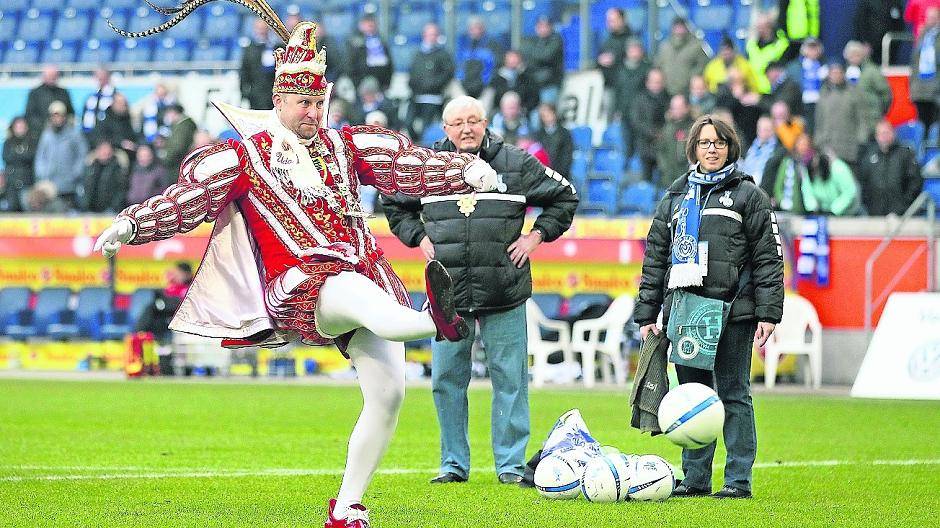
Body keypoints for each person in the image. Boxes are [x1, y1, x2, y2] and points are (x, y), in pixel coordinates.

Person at [95, 14, 504, 527]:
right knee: (358, 293)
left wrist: (464, 170)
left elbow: (406, 166)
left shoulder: (345, 144)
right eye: (302, 103)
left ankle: (348, 505)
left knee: (389, 393)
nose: (312, 111)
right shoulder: (245, 156)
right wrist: (132, 224)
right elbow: (189, 199)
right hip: (303, 286)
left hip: (367, 277)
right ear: (279, 100)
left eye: (317, 102)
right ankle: (437, 318)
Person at [381, 95, 578, 488]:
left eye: (473, 121)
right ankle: (453, 463)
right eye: (458, 123)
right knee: (446, 380)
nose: (466, 129)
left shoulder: (516, 163)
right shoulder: (426, 167)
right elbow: (391, 200)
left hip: (504, 289)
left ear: (486, 123)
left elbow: (565, 196)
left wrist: (535, 237)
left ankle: (509, 464)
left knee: (510, 379)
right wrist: (418, 237)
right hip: (447, 293)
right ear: (445, 129)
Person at [634, 114, 783, 500]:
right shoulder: (675, 197)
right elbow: (655, 259)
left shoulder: (750, 195)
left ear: (730, 147)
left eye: (718, 143)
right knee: (692, 395)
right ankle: (696, 480)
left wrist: (768, 312)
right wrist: (647, 314)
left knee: (733, 394)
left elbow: (768, 258)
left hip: (734, 311)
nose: (711, 149)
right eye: (704, 143)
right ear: (693, 149)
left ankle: (737, 481)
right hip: (686, 311)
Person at [857, 121, 922, 215]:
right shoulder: (869, 156)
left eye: (886, 133)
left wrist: (904, 206)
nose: (884, 137)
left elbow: (915, 182)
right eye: (881, 134)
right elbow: (864, 183)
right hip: (875, 213)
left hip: (901, 215)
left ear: (893, 133)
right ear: (876, 136)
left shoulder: (905, 154)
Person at [814, 61, 868, 173]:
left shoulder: (854, 93)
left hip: (849, 149)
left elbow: (862, 119)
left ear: (844, 74)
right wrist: (818, 141)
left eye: (838, 72)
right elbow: (819, 120)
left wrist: (861, 140)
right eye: (833, 73)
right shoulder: (823, 94)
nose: (835, 75)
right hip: (827, 148)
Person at [34, 101, 88, 209]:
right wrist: (42, 173)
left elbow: (82, 156)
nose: (57, 119)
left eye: (60, 116)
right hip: (49, 184)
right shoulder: (46, 135)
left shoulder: (74, 135)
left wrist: (75, 174)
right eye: (55, 116)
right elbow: (40, 156)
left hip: (69, 185)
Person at [407, 23, 455, 139]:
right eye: (429, 34)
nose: (431, 37)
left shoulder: (443, 55)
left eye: (434, 34)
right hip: (416, 96)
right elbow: (412, 73)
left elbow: (448, 73)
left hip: (434, 98)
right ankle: (416, 142)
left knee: (426, 127)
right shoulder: (417, 54)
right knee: (408, 123)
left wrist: (433, 85)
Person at [844, 41, 892, 138]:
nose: (854, 57)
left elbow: (886, 94)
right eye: (851, 55)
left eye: (856, 54)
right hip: (852, 122)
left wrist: (878, 111)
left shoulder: (872, 71)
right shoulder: (845, 73)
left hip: (872, 120)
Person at [615, 38, 652, 159]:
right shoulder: (620, 69)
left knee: (642, 147)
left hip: (642, 115)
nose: (634, 52)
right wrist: (617, 109)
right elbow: (617, 91)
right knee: (626, 146)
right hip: (625, 113)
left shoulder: (647, 68)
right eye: (632, 49)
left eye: (637, 49)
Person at [630, 68, 670, 182]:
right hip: (645, 146)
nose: (657, 85)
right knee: (646, 180)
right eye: (654, 81)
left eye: (659, 81)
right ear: (648, 82)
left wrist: (663, 133)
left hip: (664, 147)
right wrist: (653, 133)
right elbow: (636, 122)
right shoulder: (639, 100)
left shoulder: (668, 98)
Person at [656, 18, 708, 97]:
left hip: (687, 91)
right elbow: (657, 65)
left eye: (681, 27)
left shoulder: (696, 46)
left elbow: (702, 65)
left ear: (686, 28)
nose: (679, 30)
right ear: (672, 29)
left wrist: (690, 78)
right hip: (666, 91)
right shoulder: (664, 46)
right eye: (677, 27)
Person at [910, 7, 940, 139]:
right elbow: (915, 62)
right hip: (920, 89)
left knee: (935, 126)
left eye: (934, 17)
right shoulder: (922, 36)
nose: (931, 20)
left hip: (936, 89)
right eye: (929, 17)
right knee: (922, 126)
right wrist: (912, 85)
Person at [520, 16, 564, 105]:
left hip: (549, 85)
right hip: (534, 85)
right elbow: (524, 53)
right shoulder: (534, 40)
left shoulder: (556, 40)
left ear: (551, 27)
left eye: (545, 26)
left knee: (547, 112)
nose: (542, 29)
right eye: (539, 26)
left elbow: (545, 56)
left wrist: (531, 56)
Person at [455, 17, 503, 98]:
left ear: (483, 29)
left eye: (477, 28)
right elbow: (459, 67)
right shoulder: (463, 45)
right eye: (472, 29)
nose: (475, 31)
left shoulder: (493, 45)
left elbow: (496, 67)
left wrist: (486, 81)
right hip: (465, 85)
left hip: (486, 86)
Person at [24, 65, 74, 141]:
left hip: (62, 135)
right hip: (40, 135)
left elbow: (70, 112)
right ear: (43, 76)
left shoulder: (63, 92)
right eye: (49, 75)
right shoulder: (35, 93)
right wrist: (45, 125)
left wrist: (61, 123)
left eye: (54, 75)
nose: (52, 78)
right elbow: (30, 115)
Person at [655, 94, 694, 189]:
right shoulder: (667, 128)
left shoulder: (693, 128)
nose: (676, 111)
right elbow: (660, 150)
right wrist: (664, 167)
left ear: (686, 108)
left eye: (679, 107)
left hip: (687, 179)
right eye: (673, 108)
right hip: (668, 178)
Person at [346, 14, 394, 92]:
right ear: (361, 25)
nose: (370, 27)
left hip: (381, 85)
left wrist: (387, 84)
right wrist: (357, 84)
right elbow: (350, 65)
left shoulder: (381, 42)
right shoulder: (354, 43)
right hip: (361, 85)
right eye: (368, 24)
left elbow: (389, 64)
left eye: (372, 24)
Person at [81, 139, 129, 214]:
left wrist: (114, 207)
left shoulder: (118, 168)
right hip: (91, 210)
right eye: (102, 149)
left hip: (111, 211)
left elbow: (121, 190)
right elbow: (86, 188)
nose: (105, 152)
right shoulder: (91, 168)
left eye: (107, 149)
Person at [746, 13, 790, 94]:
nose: (760, 30)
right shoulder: (751, 46)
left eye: (763, 27)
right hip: (753, 92)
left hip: (774, 92)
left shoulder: (781, 44)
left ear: (770, 27)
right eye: (758, 27)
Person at [239, 18, 278, 110]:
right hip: (255, 94)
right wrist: (244, 93)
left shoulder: (275, 47)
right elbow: (244, 72)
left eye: (263, 28)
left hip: (272, 93)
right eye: (259, 28)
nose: (261, 31)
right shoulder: (249, 49)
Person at [854, 0, 905, 64]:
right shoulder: (867, 2)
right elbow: (860, 22)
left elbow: (900, 24)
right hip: (871, 48)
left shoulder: (895, 3)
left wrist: (895, 43)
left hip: (890, 48)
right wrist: (864, 42)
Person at [1, 117, 35, 212]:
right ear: (13, 127)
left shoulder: (31, 141)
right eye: (18, 126)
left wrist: (18, 155)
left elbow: (30, 157)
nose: (20, 128)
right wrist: (21, 155)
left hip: (27, 183)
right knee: (11, 209)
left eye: (22, 126)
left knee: (28, 209)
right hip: (11, 184)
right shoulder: (8, 142)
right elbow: (7, 158)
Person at [741, 116, 784, 187]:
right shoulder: (750, 149)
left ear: (773, 130)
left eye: (766, 129)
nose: (762, 133)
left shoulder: (779, 152)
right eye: (760, 129)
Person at [596, 8, 632, 89]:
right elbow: (599, 59)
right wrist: (600, 61)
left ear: (622, 20)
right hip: (606, 84)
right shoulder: (607, 40)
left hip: (624, 86)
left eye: (612, 20)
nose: (609, 24)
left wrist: (614, 59)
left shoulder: (632, 39)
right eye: (608, 21)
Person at [535, 102, 573, 177]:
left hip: (560, 176)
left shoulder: (564, 134)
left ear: (554, 113)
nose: (546, 116)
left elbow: (566, 158)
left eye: (548, 112)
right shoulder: (537, 135)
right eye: (543, 114)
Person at [81, 66, 117, 137]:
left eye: (102, 76)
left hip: (106, 136)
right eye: (97, 76)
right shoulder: (90, 98)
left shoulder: (115, 96)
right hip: (89, 135)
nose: (99, 79)